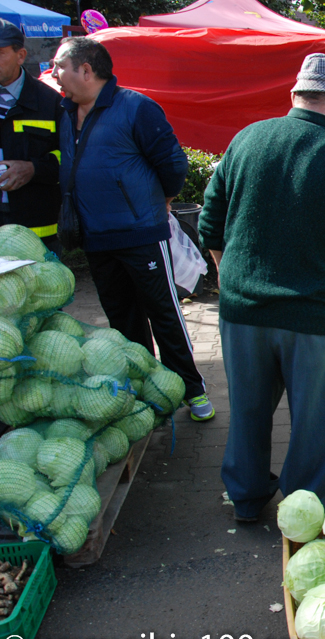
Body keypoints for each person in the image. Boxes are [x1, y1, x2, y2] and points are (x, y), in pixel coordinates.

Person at [198, 54, 325, 522]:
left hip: (241, 314)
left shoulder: (247, 140)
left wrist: (235, 279)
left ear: (294, 96)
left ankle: (247, 502)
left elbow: (210, 224)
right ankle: (303, 510)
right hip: (315, 320)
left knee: (248, 413)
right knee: (314, 424)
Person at [52, 37, 214, 421]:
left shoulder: (135, 107)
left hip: (140, 233)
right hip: (95, 237)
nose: (55, 73)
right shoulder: (64, 111)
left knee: (164, 313)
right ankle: (147, 391)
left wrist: (164, 200)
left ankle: (193, 390)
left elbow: (173, 163)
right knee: (121, 320)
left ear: (86, 70)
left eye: (60, 65)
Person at [0, 20, 63, 252]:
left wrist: (33, 169)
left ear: (21, 55)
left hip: (38, 234)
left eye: (0, 53)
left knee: (47, 289)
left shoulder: (51, 102)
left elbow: (72, 157)